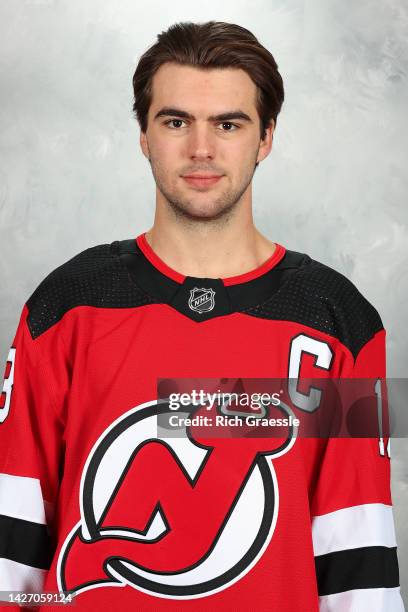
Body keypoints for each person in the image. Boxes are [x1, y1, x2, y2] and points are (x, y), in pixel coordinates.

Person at [0, 20, 404, 612]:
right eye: (175, 121)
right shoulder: (66, 306)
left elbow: (358, 561)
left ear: (266, 137)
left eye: (229, 124)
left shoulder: (343, 322)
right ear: (143, 134)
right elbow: (15, 546)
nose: (201, 149)